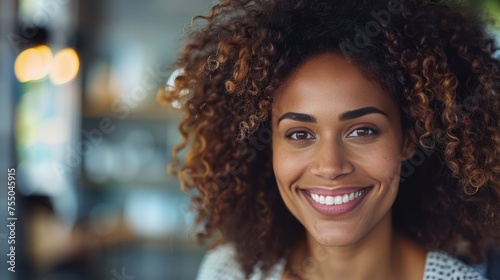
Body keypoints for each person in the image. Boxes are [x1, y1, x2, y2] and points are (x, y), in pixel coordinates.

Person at [159, 0, 500, 279]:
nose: (330, 166)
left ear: (408, 140)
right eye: (300, 134)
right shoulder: (229, 272)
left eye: (362, 131)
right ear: (270, 149)